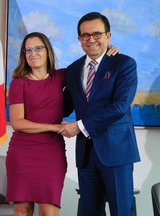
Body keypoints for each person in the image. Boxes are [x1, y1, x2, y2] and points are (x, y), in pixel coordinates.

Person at [5, 32, 119, 216]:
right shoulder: (18, 83)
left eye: (38, 48)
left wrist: (107, 51)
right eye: (28, 50)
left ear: (47, 51)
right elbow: (18, 123)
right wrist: (54, 127)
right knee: (22, 211)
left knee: (49, 211)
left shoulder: (62, 76)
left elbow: (90, 66)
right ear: (24, 55)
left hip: (51, 153)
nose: (33, 53)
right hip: (22, 152)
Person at [59, 12, 141, 216]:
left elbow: (120, 107)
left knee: (122, 211)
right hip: (86, 156)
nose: (91, 39)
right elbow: (64, 107)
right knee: (89, 212)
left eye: (97, 34)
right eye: (85, 35)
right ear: (79, 38)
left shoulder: (124, 64)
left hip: (117, 152)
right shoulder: (73, 69)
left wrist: (79, 126)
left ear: (108, 35)